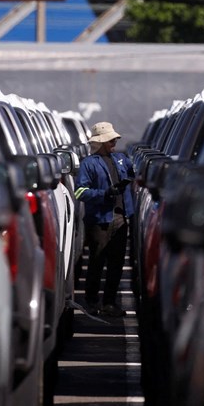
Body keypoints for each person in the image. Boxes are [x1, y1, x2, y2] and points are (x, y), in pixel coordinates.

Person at [74, 122, 134, 317]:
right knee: (97, 261)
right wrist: (104, 193)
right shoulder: (89, 164)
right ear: (101, 142)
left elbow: (134, 175)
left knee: (116, 263)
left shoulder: (121, 159)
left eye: (114, 139)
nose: (114, 142)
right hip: (99, 220)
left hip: (120, 217)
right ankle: (92, 302)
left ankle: (110, 302)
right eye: (110, 140)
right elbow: (80, 192)